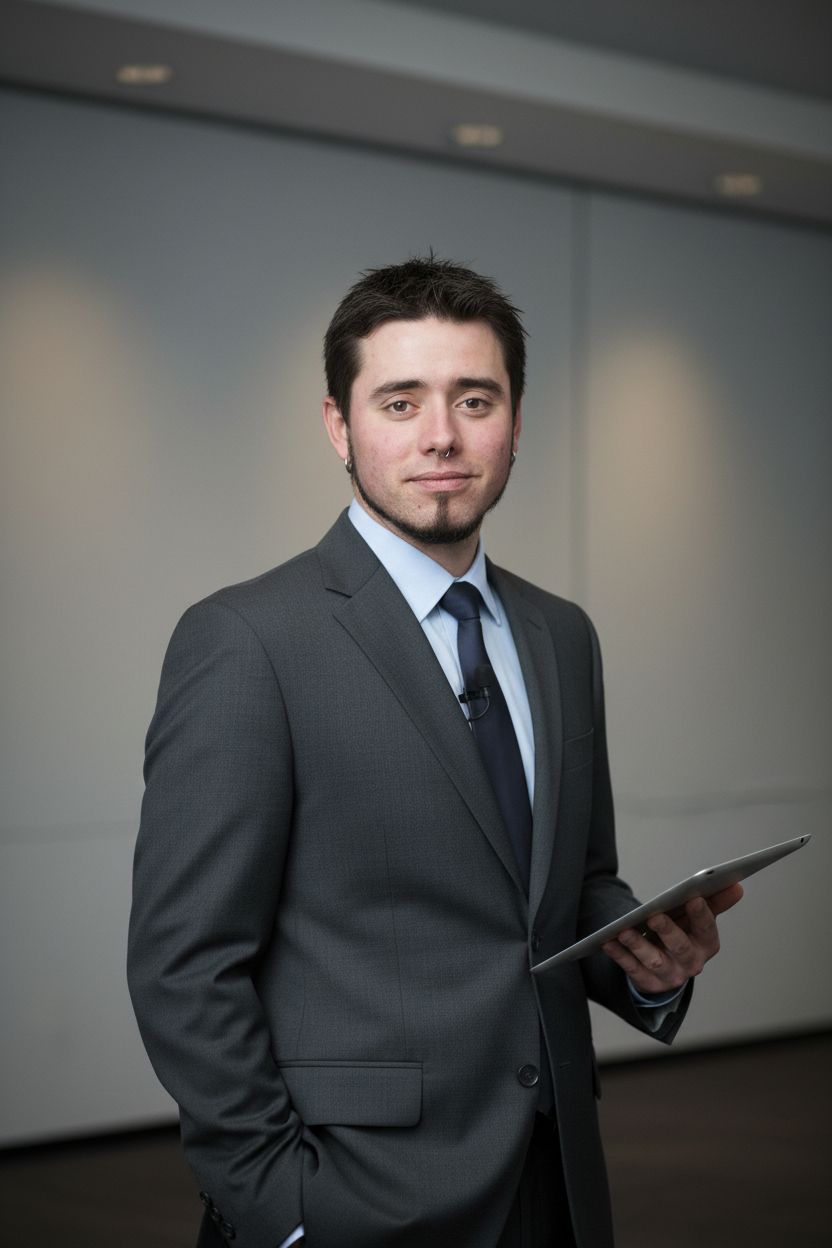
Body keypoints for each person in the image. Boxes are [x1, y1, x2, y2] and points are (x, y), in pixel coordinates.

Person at [127, 255, 742, 1248]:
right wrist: (279, 1209)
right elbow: (184, 963)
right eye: (401, 402)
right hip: (351, 1197)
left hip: (555, 1181)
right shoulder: (247, 641)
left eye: (474, 399)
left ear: (516, 423)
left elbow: (572, 887)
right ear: (339, 426)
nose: (442, 435)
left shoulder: (561, 634)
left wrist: (647, 964)